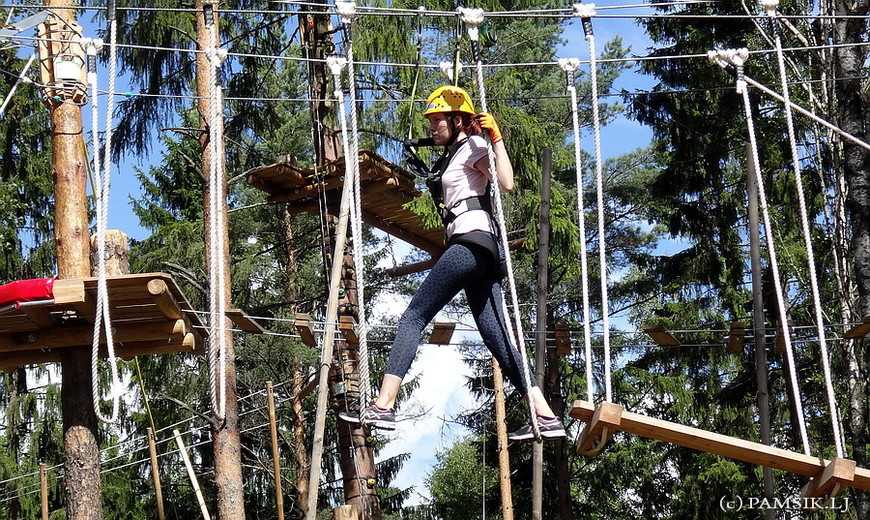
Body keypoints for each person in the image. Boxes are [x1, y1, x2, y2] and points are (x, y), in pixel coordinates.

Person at [339, 85, 565, 441]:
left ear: (457, 119)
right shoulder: (456, 150)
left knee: (414, 315)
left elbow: (505, 183)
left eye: (436, 120)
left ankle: (383, 405)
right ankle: (545, 413)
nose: (431, 127)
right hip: (481, 252)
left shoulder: (475, 146)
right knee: (497, 337)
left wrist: (496, 139)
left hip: (471, 243)